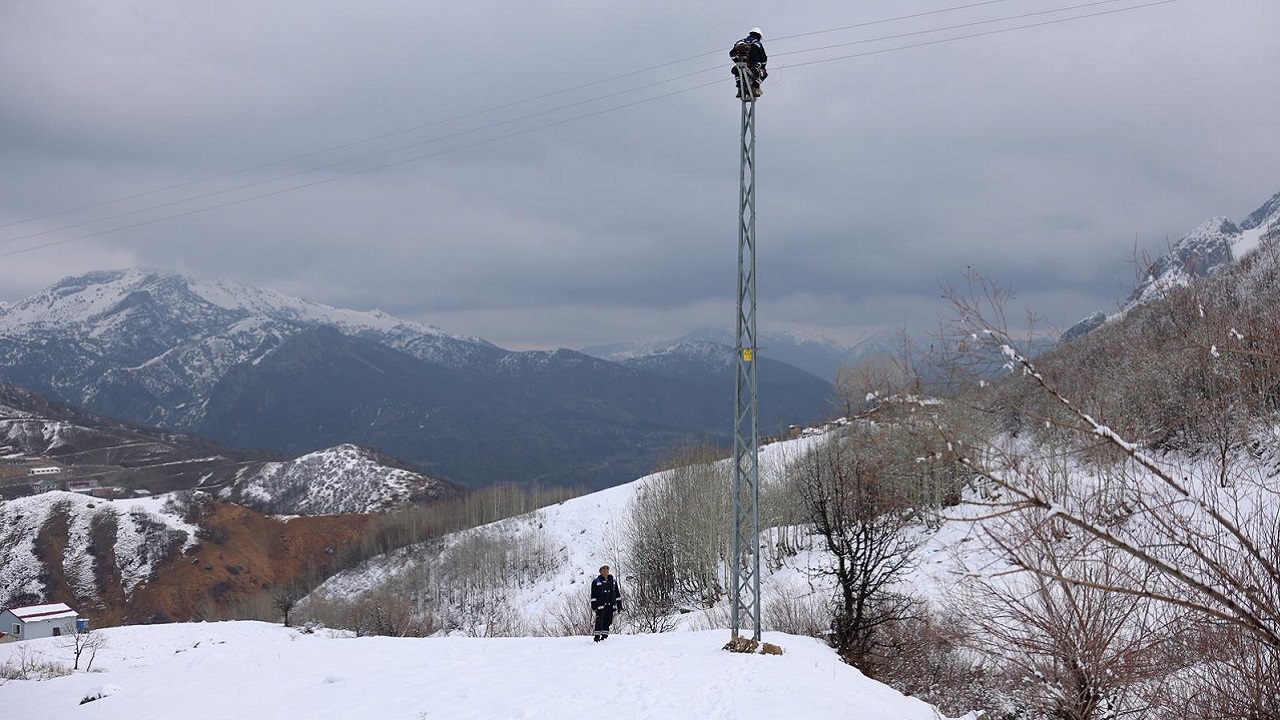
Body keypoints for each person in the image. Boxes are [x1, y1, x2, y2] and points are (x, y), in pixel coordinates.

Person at [729, 28, 767, 99]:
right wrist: (763, 66)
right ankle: (755, 88)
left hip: (740, 67)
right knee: (764, 74)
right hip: (754, 67)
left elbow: (731, 54)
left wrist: (737, 61)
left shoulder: (739, 42)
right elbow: (764, 58)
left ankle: (740, 89)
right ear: (759, 36)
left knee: (737, 71)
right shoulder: (757, 44)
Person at [590, 564, 623, 642]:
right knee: (599, 621)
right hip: (600, 606)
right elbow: (593, 595)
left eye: (607, 569)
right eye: (603, 569)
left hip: (611, 605)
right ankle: (597, 637)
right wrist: (594, 606)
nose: (605, 571)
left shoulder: (613, 581)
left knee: (608, 621)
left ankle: (605, 637)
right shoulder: (596, 581)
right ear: (600, 571)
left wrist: (619, 605)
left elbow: (617, 594)